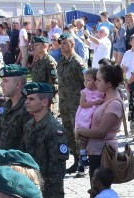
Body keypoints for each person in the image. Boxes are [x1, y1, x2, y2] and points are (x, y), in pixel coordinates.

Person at [21, 82, 70, 198]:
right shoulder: (29, 126)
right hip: (31, 191)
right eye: (27, 98)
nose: (27, 102)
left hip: (50, 196)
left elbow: (58, 170)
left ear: (44, 102)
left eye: (31, 99)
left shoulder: (54, 129)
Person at [57, 32, 88, 175]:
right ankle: (76, 160)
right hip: (64, 104)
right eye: (61, 43)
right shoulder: (62, 62)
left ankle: (83, 162)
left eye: (65, 43)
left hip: (76, 104)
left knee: (79, 134)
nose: (62, 46)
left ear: (72, 44)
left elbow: (87, 84)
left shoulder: (77, 62)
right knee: (68, 133)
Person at [74, 68, 105, 175]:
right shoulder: (84, 92)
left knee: (92, 138)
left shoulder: (101, 90)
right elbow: (82, 104)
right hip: (85, 116)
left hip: (95, 117)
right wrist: (95, 102)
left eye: (88, 80)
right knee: (83, 136)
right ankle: (82, 156)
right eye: (84, 80)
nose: (85, 82)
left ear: (96, 80)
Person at [0, 64, 32, 151]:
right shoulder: (5, 106)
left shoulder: (28, 108)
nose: (1, 84)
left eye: (5, 81)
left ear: (18, 84)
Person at [29, 36, 59, 111]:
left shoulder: (50, 62)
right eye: (34, 45)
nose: (34, 47)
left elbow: (54, 84)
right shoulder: (37, 61)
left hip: (47, 101)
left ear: (45, 46)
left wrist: (50, 102)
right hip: (38, 98)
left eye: (37, 45)